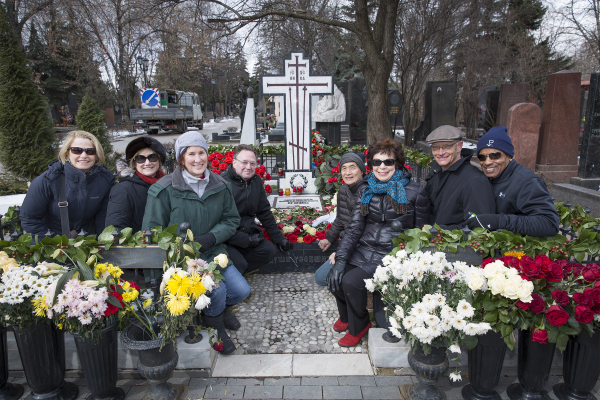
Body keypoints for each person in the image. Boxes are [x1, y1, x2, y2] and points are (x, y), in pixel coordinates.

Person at [142, 132, 250, 355]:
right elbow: (152, 231)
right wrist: (181, 248)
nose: (197, 159)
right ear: (181, 158)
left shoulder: (220, 185)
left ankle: (216, 310)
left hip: (213, 252)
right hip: (181, 260)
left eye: (202, 153)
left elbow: (231, 220)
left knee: (241, 291)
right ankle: (216, 329)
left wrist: (211, 237)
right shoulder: (164, 190)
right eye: (191, 153)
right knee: (217, 292)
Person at [328, 139, 430, 347]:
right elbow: (355, 227)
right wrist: (340, 259)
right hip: (365, 250)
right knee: (335, 277)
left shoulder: (414, 192)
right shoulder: (366, 190)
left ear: (398, 164)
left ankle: (359, 326)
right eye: (377, 162)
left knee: (351, 281)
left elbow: (421, 232)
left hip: (392, 254)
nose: (382, 167)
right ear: (371, 165)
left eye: (388, 162)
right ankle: (354, 318)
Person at [465, 126, 559, 236]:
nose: (487, 162)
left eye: (495, 155)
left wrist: (498, 221)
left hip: (515, 250)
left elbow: (549, 223)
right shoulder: (482, 178)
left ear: (508, 155)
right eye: (482, 157)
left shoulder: (526, 182)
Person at [20, 130, 115, 239]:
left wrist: (101, 245)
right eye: (77, 150)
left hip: (88, 243)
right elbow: (30, 219)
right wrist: (52, 245)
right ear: (67, 153)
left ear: (97, 155)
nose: (84, 155)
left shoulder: (105, 182)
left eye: (90, 151)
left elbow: (103, 219)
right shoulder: (47, 180)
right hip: (52, 243)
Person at [221, 144, 292, 274]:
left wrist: (278, 239)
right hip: (228, 238)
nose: (248, 167)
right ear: (234, 162)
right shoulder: (222, 184)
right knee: (240, 264)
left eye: (252, 163)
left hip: (248, 234)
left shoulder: (256, 181)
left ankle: (237, 269)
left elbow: (263, 211)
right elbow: (219, 223)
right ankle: (235, 271)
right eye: (244, 162)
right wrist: (244, 240)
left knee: (269, 250)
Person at [424, 125, 496, 229]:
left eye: (447, 146)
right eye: (435, 147)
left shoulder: (474, 180)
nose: (440, 152)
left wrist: (438, 231)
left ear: (459, 146)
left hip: (454, 243)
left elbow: (479, 227)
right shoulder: (436, 174)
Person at [314, 152, 367, 286]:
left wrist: (340, 254)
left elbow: (364, 231)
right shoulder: (344, 190)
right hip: (347, 247)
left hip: (362, 249)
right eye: (344, 168)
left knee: (337, 281)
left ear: (362, 170)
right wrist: (329, 238)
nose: (348, 172)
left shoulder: (368, 192)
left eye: (352, 167)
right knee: (320, 278)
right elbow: (340, 219)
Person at [105, 136, 167, 232]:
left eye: (152, 157)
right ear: (134, 162)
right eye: (140, 158)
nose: (147, 163)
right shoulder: (123, 189)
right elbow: (116, 229)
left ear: (159, 160)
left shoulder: (167, 185)